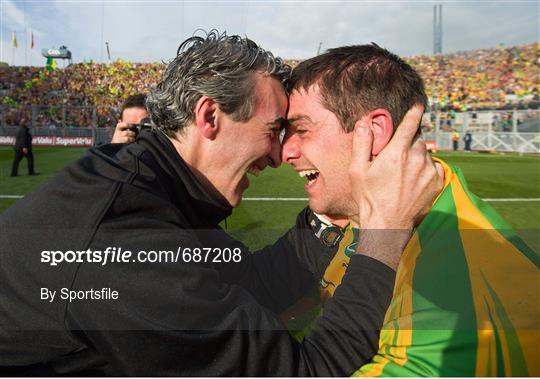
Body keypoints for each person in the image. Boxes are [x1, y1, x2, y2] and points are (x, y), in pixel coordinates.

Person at [0, 32, 440, 376]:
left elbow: (250, 285)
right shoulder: (122, 241)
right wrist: (385, 232)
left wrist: (326, 215)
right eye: (273, 129)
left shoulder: (152, 181)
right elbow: (306, 372)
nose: (278, 155)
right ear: (209, 116)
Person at [281, 44, 538, 376]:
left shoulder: (455, 303)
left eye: (300, 129)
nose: (284, 152)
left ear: (372, 132)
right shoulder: (368, 215)